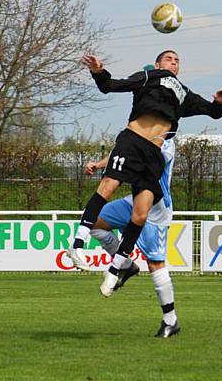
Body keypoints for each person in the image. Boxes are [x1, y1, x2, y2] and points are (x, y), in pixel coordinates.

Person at [67, 50, 222, 289]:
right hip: (133, 140)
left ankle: (119, 267)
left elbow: (213, 112)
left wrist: (219, 103)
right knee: (108, 187)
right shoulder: (148, 77)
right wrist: (98, 72)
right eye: (168, 58)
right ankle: (77, 245)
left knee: (140, 215)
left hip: (152, 156)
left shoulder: (183, 94)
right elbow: (111, 85)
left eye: (177, 60)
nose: (174, 62)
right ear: (157, 65)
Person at [86, 138, 180, 338]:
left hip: (155, 210)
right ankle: (127, 265)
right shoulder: (143, 132)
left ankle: (170, 320)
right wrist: (100, 164)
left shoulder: (166, 143)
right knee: (92, 222)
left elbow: (136, 160)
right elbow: (123, 153)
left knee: (155, 263)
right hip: (132, 202)